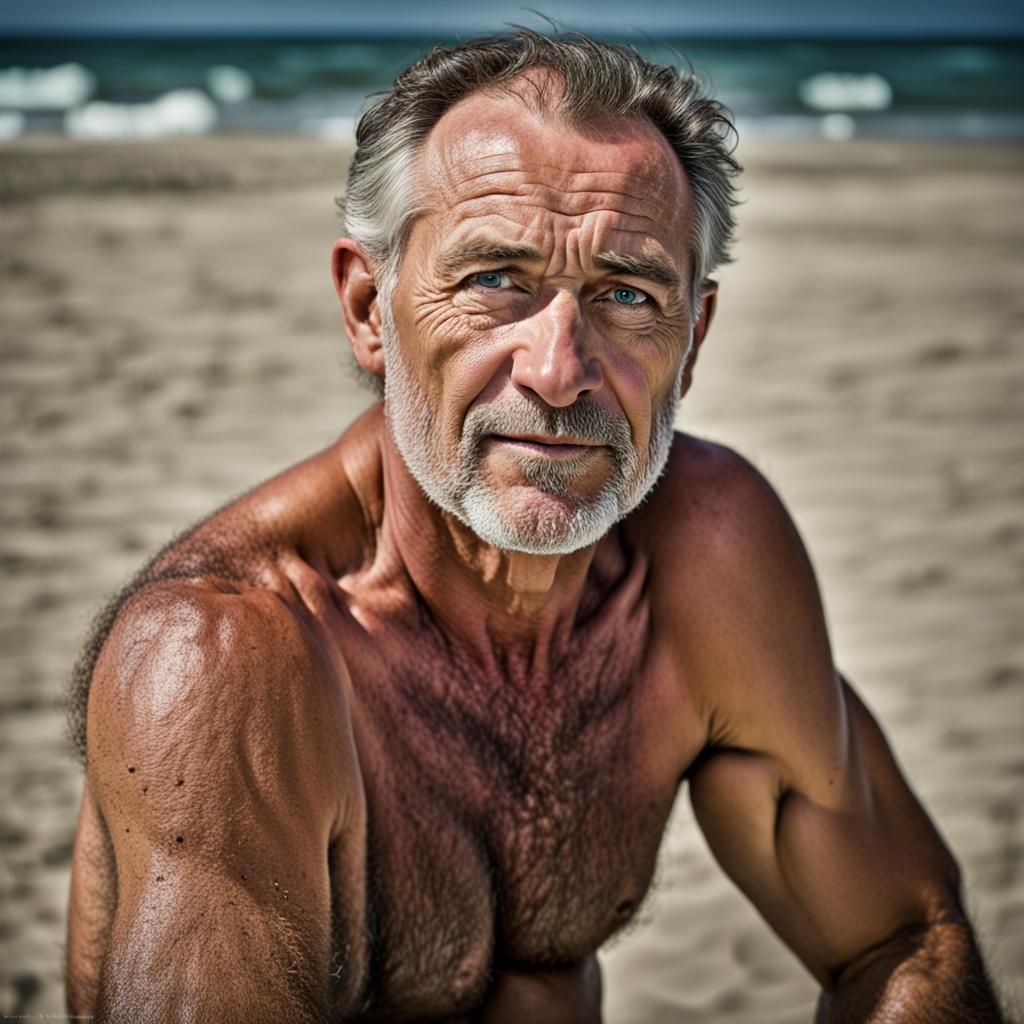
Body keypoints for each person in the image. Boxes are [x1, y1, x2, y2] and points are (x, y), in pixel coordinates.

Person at [65, 30, 1006, 1024]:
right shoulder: (225, 661)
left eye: (627, 295)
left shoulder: (706, 559)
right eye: (492, 281)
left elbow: (903, 936)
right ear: (368, 308)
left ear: (691, 342)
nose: (559, 370)